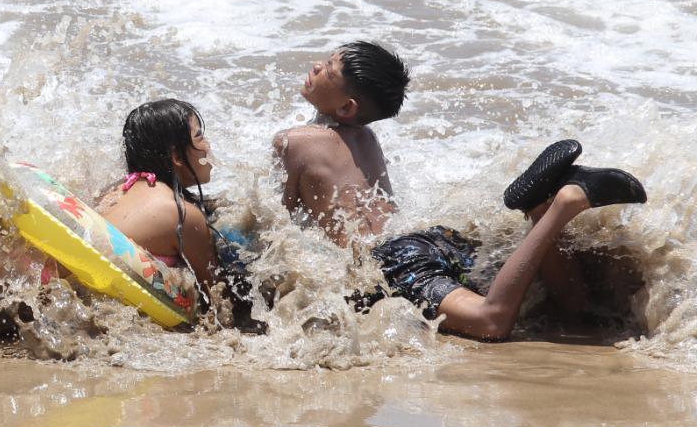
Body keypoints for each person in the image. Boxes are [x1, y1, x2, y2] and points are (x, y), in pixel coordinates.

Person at [273, 42, 646, 341]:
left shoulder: (293, 142)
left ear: (347, 107)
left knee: (491, 320)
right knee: (571, 306)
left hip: (389, 263)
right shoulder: (366, 137)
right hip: (429, 240)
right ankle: (537, 211)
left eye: (329, 68)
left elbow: (278, 225)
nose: (316, 66)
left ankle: (565, 203)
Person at [0, 98, 248, 325]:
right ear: (176, 156)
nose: (208, 146)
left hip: (13, 277)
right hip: (55, 301)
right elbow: (218, 300)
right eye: (200, 137)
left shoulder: (116, 190)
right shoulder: (184, 216)